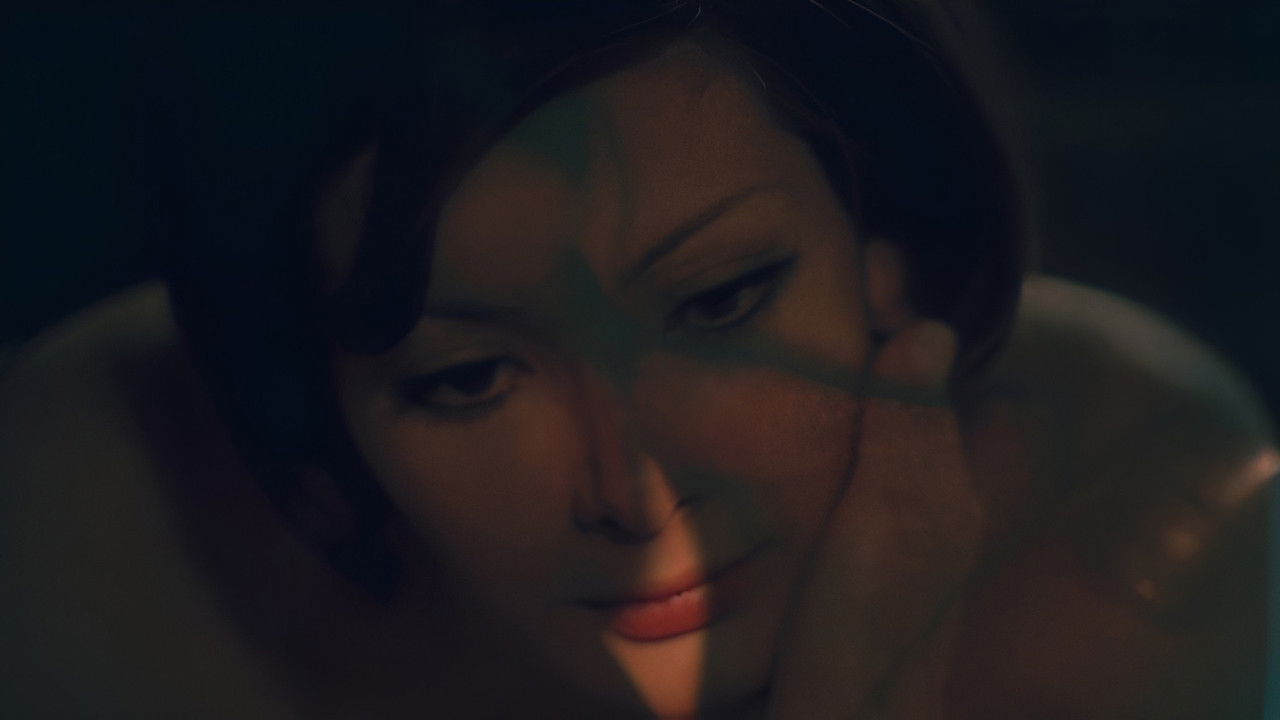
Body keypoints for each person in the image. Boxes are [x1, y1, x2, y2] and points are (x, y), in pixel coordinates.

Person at [0, 1, 1271, 718]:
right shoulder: (104, 518)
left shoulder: (1138, 534)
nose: (632, 491)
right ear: (315, 409)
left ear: (887, 247)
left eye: (718, 302)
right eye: (465, 380)